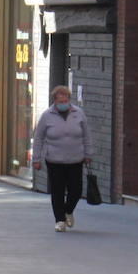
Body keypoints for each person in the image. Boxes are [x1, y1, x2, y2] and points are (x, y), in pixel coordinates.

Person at [32, 85, 92, 232]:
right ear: (55, 101)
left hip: (75, 159)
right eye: (61, 101)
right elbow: (39, 137)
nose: (64, 103)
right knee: (58, 190)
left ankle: (68, 210)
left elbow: (87, 135)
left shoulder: (79, 114)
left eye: (66, 100)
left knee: (76, 190)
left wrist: (88, 154)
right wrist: (36, 158)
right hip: (54, 160)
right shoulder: (47, 116)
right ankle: (59, 220)